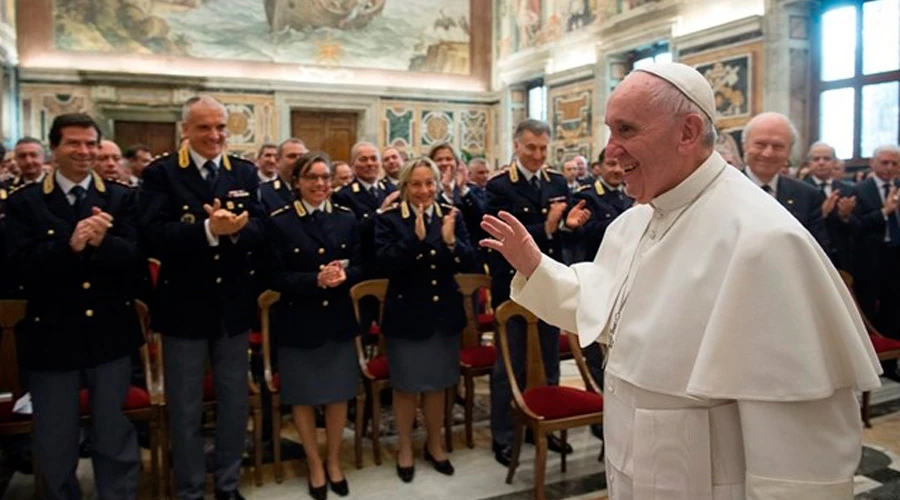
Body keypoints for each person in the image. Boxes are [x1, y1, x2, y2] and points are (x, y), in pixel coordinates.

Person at [480, 62, 881, 499]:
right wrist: (536, 266)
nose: (610, 151)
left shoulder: (764, 239)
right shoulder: (634, 222)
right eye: (610, 131)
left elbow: (802, 443)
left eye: (626, 130)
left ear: (688, 132)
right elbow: (603, 305)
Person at [5, 113, 145, 499]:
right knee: (54, 435)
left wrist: (105, 243)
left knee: (112, 429)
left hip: (110, 333)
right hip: (52, 334)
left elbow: (137, 265)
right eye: (74, 143)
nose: (84, 152)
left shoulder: (121, 197)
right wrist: (71, 246)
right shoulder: (26, 202)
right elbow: (16, 269)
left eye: (91, 144)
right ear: (55, 148)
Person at [139, 96, 265, 500]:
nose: (215, 136)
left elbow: (261, 230)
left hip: (231, 307)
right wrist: (210, 232)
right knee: (186, 407)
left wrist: (240, 229)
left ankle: (228, 484)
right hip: (183, 309)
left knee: (233, 403)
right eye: (205, 128)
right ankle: (190, 489)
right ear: (185, 131)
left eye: (221, 127)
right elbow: (152, 233)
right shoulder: (162, 174)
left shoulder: (243, 172)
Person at [484, 119, 591, 467]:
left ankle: (546, 426)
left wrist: (568, 227)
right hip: (512, 287)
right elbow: (498, 237)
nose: (537, 155)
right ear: (516, 146)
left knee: (547, 361)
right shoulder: (500, 185)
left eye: (543, 148)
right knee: (509, 365)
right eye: (531, 147)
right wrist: (545, 227)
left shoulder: (558, 182)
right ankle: (504, 435)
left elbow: (565, 238)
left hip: (549, 282)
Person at [374, 157, 477, 483]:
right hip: (407, 318)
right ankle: (405, 447)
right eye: (416, 184)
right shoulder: (390, 219)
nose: (423, 190)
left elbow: (470, 259)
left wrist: (450, 241)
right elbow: (384, 263)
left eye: (429, 183)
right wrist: (413, 241)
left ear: (437, 183)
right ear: (404, 187)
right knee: (406, 389)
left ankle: (435, 444)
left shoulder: (451, 215)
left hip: (442, 316)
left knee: (436, 388)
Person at [265, 152, 361, 499]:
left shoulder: (347, 219)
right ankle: (314, 463)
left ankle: (333, 460)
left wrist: (347, 274)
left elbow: (365, 265)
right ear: (297, 182)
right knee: (303, 398)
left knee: (338, 396)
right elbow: (272, 276)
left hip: (336, 319)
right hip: (298, 320)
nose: (320, 184)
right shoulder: (280, 221)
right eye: (312, 178)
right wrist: (314, 280)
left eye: (325, 178)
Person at [742, 112, 830, 252]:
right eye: (760, 144)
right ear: (745, 146)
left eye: (778, 146)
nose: (768, 153)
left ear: (789, 152)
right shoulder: (721, 190)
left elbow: (817, 251)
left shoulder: (808, 196)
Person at [852, 145, 900, 344]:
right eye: (884, 162)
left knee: (895, 306)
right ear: (873, 163)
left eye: (894, 163)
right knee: (871, 306)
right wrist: (885, 211)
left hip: (896, 254)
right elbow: (857, 225)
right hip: (872, 257)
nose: (889, 167)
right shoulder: (859, 190)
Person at [804, 141, 857, 270]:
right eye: (816, 159)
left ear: (834, 163)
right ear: (809, 163)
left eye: (826, 159)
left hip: (842, 257)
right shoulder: (800, 189)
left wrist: (845, 217)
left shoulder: (847, 190)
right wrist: (821, 214)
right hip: (812, 255)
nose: (821, 162)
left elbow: (859, 227)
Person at [259, 138, 307, 213]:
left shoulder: (315, 191)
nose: (298, 161)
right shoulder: (263, 193)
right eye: (292, 156)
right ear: (278, 161)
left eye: (302, 156)